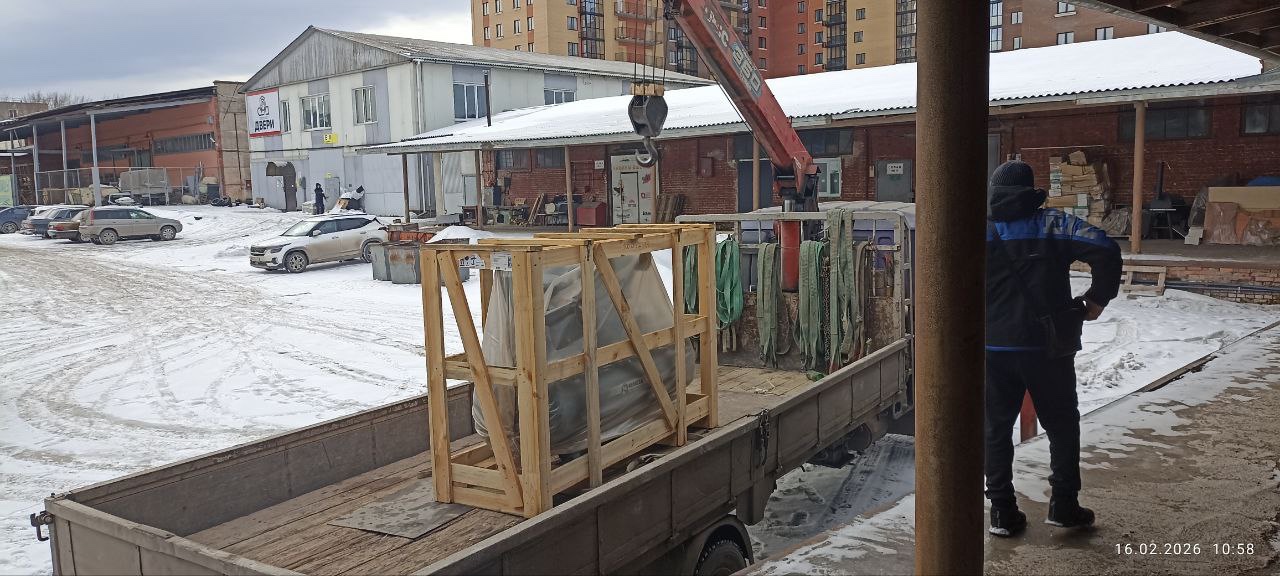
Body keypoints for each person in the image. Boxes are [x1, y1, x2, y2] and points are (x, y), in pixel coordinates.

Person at [984, 160, 1123, 537]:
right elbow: (1106, 249)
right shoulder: (1053, 225)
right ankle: (1063, 505)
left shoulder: (981, 229)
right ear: (1031, 193)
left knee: (995, 429)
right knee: (1062, 425)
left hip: (993, 347)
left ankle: (1001, 511)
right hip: (1047, 348)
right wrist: (1097, 298)